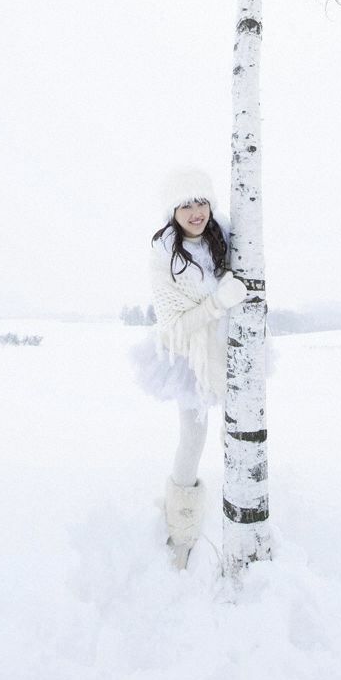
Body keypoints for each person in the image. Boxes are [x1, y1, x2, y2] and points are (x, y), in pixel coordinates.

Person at [128, 167, 249, 567]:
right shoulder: (165, 257)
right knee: (193, 439)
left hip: (231, 350)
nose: (196, 212)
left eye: (201, 202)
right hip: (189, 359)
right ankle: (181, 532)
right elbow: (173, 328)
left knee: (238, 430)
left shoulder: (225, 237)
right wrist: (218, 303)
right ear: (172, 211)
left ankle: (242, 501)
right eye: (185, 205)